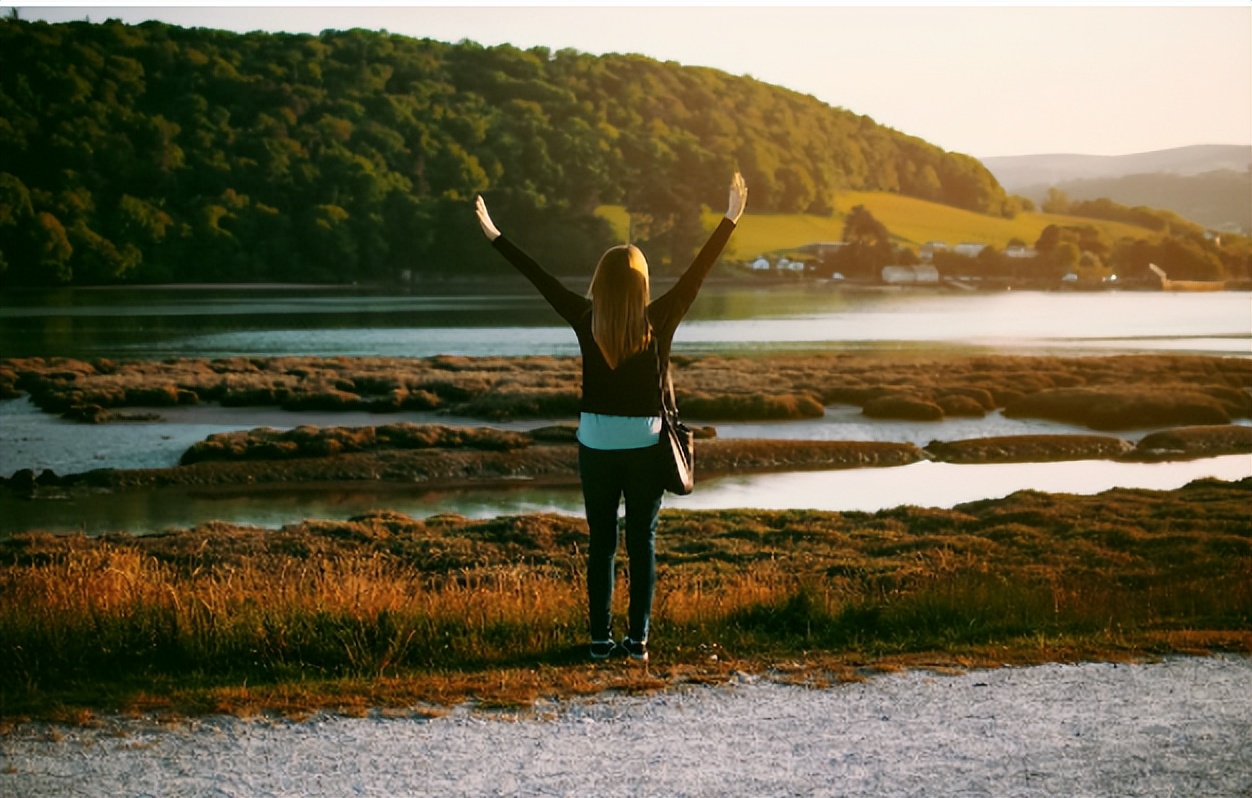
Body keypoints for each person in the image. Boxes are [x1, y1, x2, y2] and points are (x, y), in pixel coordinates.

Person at [475, 173, 747, 663]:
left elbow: (540, 278)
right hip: (646, 444)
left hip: (596, 443)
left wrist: (496, 236)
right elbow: (697, 274)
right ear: (642, 284)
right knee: (641, 542)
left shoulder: (585, 318)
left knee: (602, 544)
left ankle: (600, 641)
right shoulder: (657, 320)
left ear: (600, 282)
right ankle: (637, 641)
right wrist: (729, 218)